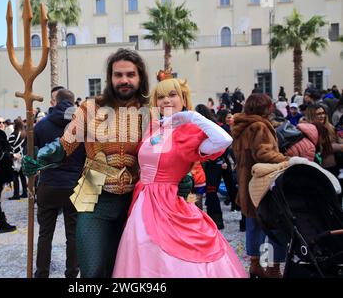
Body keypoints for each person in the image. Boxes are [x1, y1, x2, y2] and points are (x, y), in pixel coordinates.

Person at [24, 48, 150, 278]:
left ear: (140, 77)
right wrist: (41, 158)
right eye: (118, 74)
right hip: (93, 194)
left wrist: (182, 175)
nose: (124, 80)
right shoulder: (90, 108)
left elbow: (167, 152)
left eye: (130, 74)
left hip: (135, 200)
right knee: (92, 272)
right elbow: (65, 144)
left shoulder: (151, 111)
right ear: (110, 78)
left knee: (123, 271)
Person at [112, 74, 247, 278]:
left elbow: (224, 139)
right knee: (141, 253)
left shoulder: (189, 132)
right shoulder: (152, 128)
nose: (166, 100)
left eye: (173, 95)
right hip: (141, 201)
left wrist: (193, 117)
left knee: (172, 258)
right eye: (161, 97)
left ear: (183, 99)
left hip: (168, 203)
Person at [232, 94, 289, 278]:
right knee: (272, 227)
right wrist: (286, 160)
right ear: (264, 108)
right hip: (262, 185)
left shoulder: (242, 127)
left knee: (253, 226)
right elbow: (264, 153)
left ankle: (256, 265)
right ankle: (271, 268)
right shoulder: (259, 126)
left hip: (246, 184)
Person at [33, 89, 86, 278]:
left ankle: (42, 273)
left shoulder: (41, 125)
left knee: (45, 234)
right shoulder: (82, 125)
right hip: (74, 184)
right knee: (73, 234)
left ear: (55, 102)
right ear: (72, 103)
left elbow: (33, 156)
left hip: (49, 183)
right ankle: (72, 273)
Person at [8, 118, 28, 200]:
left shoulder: (13, 134)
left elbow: (9, 146)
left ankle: (16, 194)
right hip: (23, 157)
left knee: (15, 177)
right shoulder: (25, 133)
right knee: (23, 176)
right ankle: (24, 193)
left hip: (15, 158)